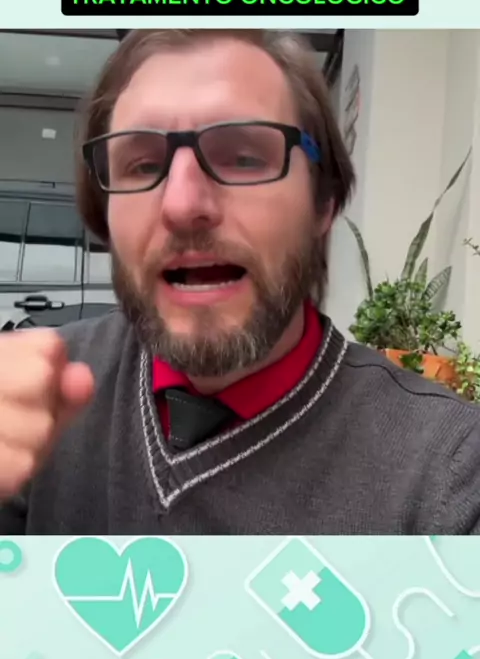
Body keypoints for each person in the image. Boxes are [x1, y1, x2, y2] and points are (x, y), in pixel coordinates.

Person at [1, 27, 480, 535]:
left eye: (245, 157)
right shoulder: (33, 405)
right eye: (142, 165)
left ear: (323, 203)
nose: (183, 205)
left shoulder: (445, 470)